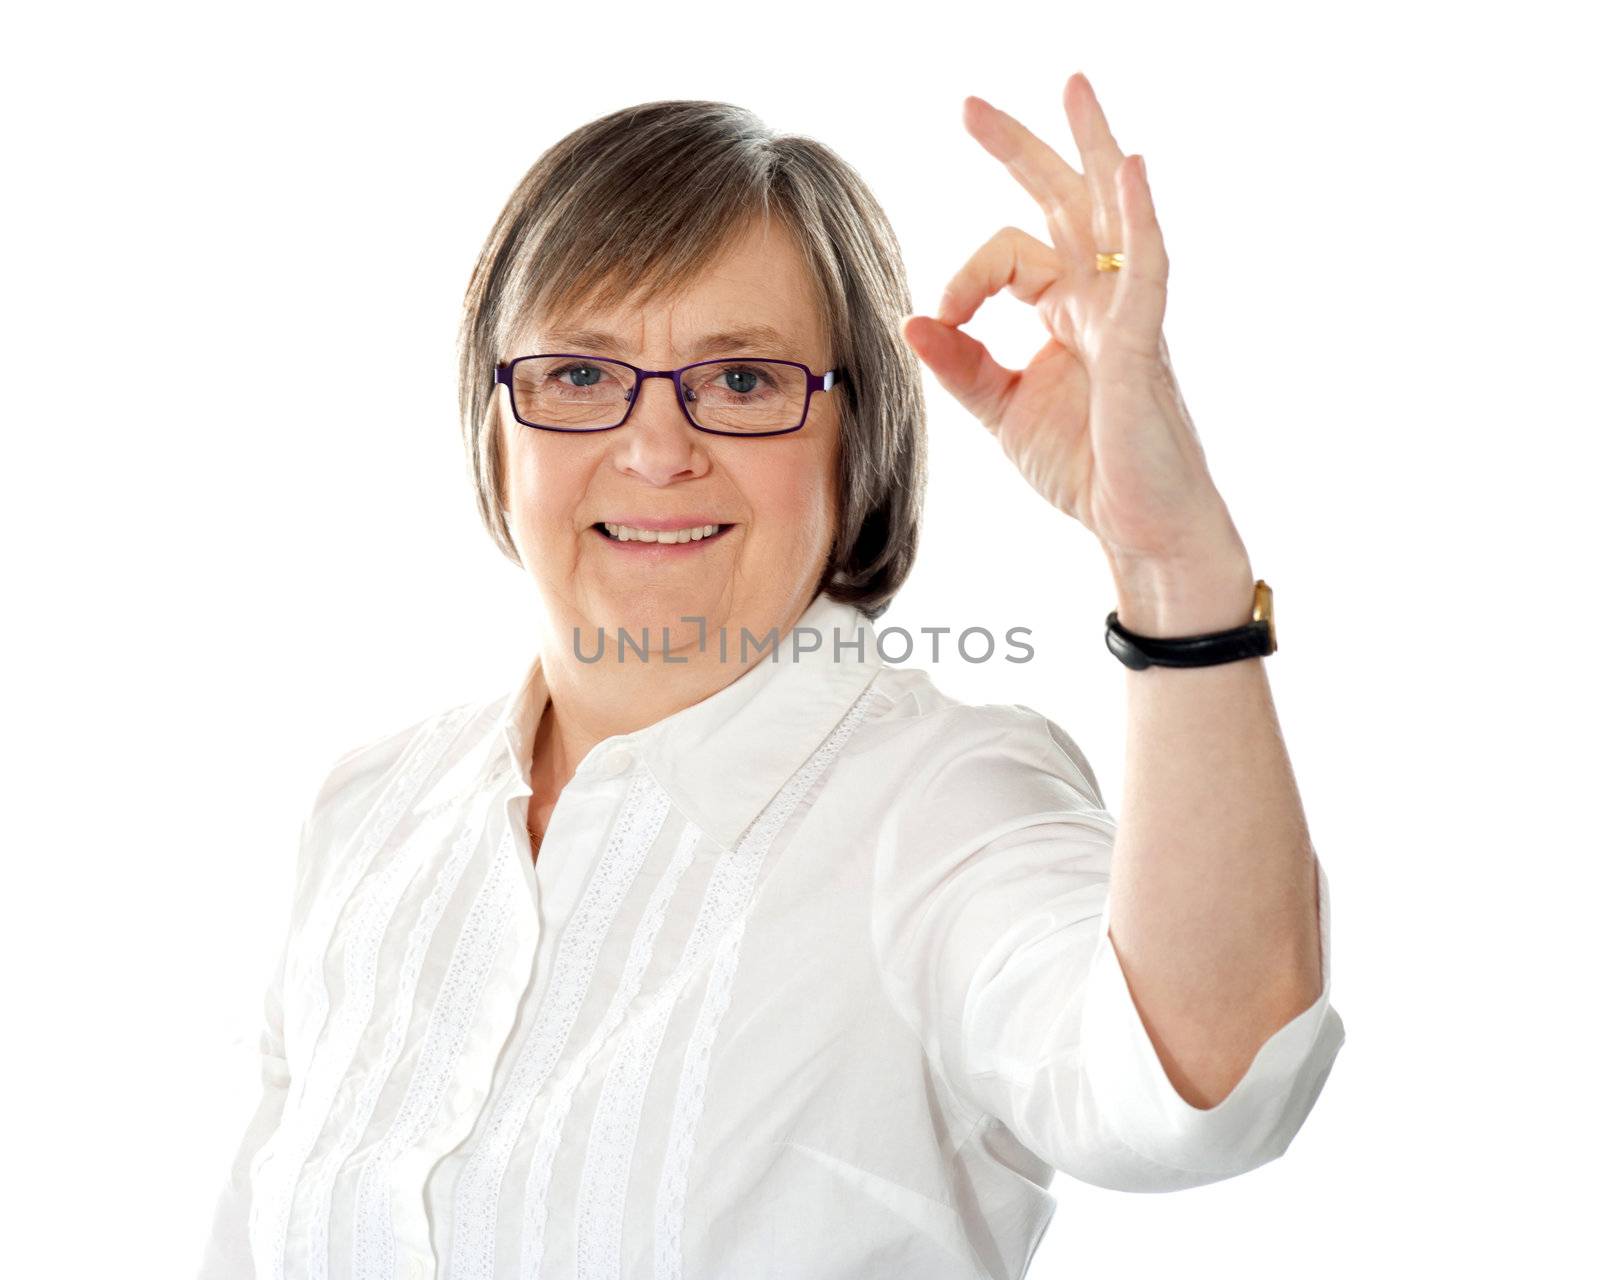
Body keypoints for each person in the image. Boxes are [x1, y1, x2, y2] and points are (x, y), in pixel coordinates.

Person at [200, 72, 1344, 1279]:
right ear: (498, 422)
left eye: (741, 381)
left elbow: (1209, 1079)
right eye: (579, 375)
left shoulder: (939, 797)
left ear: (858, 438)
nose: (654, 450)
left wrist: (1167, 563)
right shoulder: (369, 811)